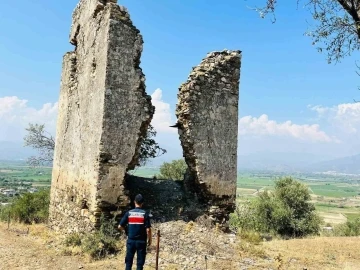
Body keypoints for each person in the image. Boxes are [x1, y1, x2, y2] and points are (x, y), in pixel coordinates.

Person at [118, 194, 152, 270]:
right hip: (141, 242)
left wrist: (127, 231)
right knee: (140, 264)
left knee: (128, 263)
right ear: (142, 203)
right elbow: (148, 229)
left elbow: (119, 226)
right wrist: (150, 239)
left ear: (134, 202)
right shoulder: (144, 214)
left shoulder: (129, 213)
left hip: (131, 241)